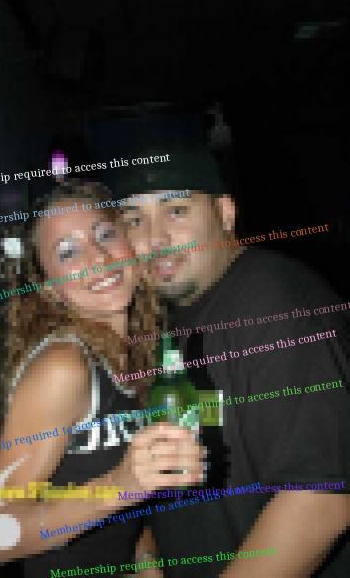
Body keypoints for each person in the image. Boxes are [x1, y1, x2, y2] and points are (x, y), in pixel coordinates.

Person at [117, 144, 350, 577]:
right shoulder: (166, 318)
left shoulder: (275, 305)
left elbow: (319, 499)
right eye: (134, 220)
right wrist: (149, 553)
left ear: (225, 213)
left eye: (176, 211)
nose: (154, 239)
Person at [0, 181, 204, 577]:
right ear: (50, 289)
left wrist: (145, 559)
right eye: (68, 252)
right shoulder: (63, 366)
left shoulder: (138, 351)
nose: (98, 257)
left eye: (105, 235)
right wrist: (121, 485)